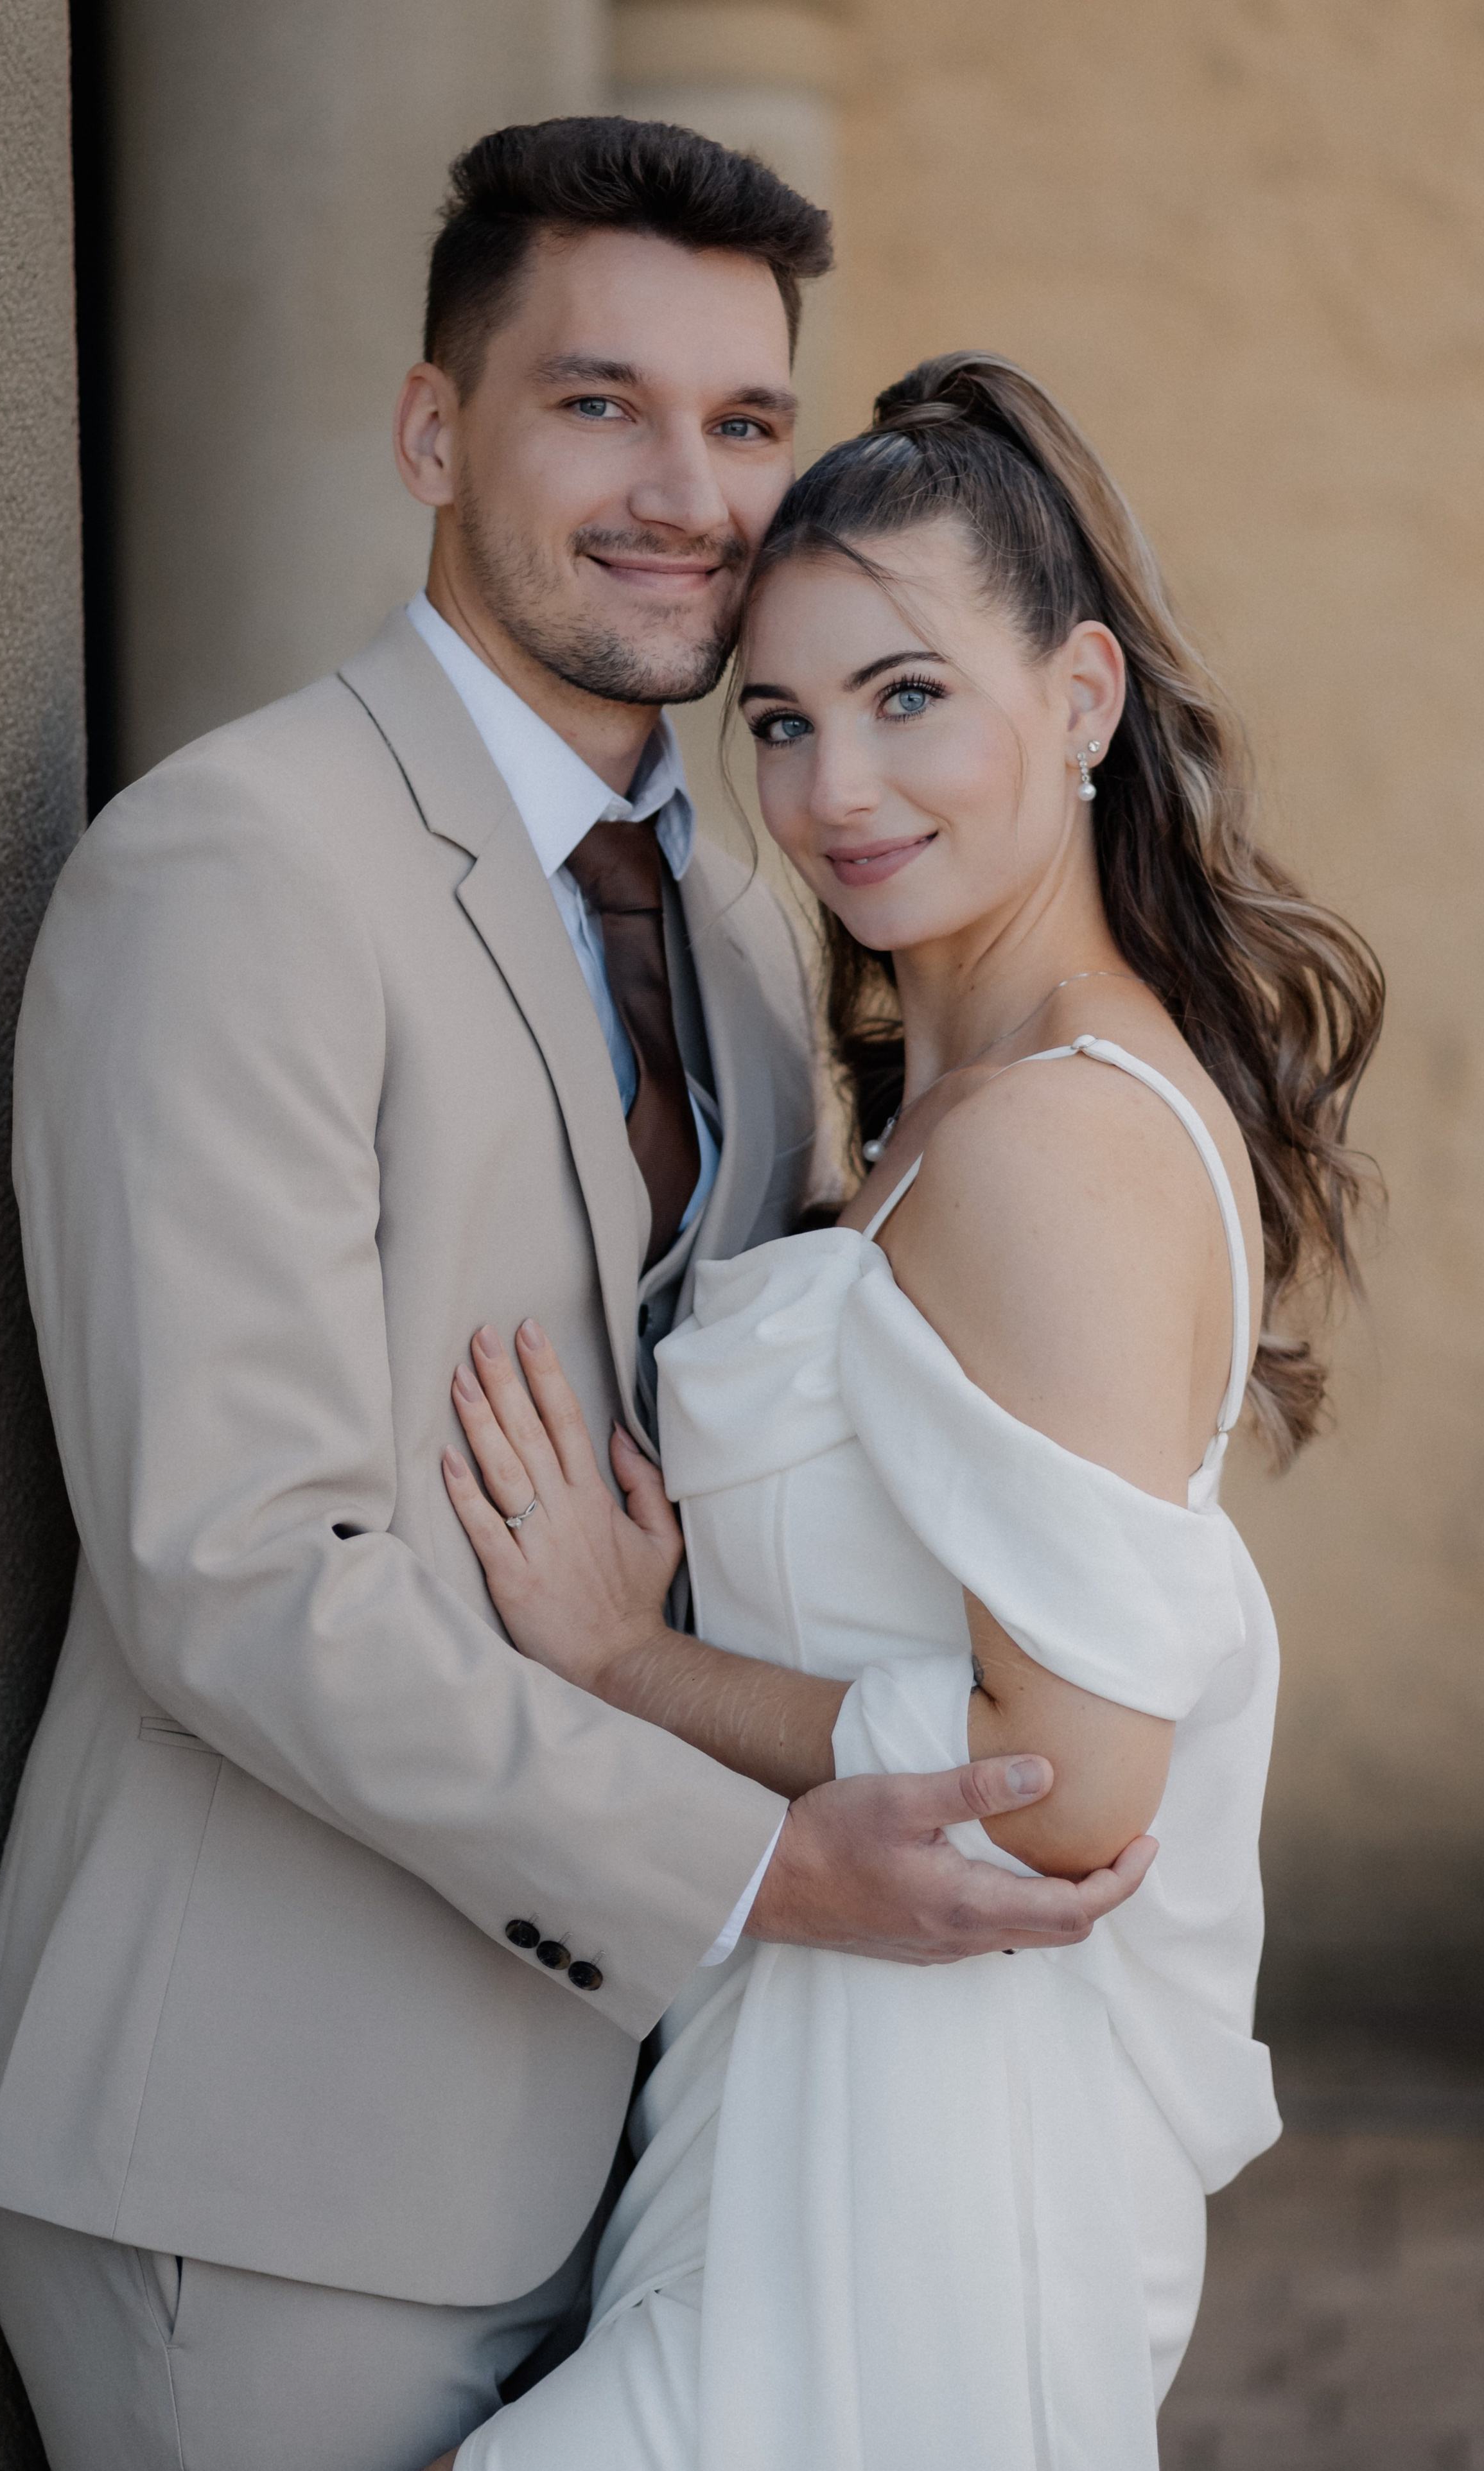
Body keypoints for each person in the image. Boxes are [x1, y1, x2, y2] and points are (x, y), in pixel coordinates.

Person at [0, 128, 1147, 2471]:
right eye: (600, 405)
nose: (686, 493)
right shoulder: (234, 868)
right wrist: (761, 1867)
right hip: (273, 2170)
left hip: (636, 2147)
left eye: (743, 421)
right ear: (434, 431)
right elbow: (232, 1568)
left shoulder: (744, 921)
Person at [428, 352, 1385, 2470]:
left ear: (1083, 697)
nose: (836, 786)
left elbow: (1069, 1785)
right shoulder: (948, 1101)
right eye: (779, 720)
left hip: (936, 2145)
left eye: (908, 697)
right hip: (803, 2084)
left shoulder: (1055, 1140)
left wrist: (629, 1662)